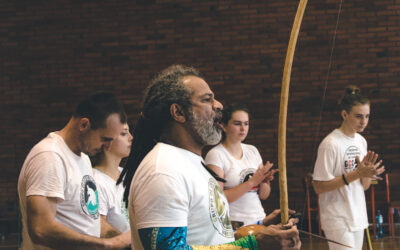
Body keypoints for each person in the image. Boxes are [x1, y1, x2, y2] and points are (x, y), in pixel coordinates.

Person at [119, 65, 301, 249]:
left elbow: (212, 238)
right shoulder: (164, 171)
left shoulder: (192, 162)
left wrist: (262, 229)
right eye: (207, 100)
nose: (219, 105)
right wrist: (253, 245)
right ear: (178, 112)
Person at [18, 92, 131, 249]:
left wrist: (124, 240)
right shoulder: (50, 156)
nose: (107, 147)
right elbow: (40, 229)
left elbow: (90, 220)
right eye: (104, 139)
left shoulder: (83, 158)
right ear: (84, 124)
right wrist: (103, 244)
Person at [312, 86, 385, 250]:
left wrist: (367, 174)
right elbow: (318, 186)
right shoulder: (330, 144)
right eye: (358, 116)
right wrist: (355, 174)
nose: (364, 121)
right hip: (337, 217)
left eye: (367, 116)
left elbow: (364, 186)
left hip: (357, 215)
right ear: (344, 114)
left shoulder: (361, 141)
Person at [205, 104, 280, 229]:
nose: (243, 128)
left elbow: (263, 195)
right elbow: (217, 200)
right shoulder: (216, 155)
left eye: (246, 124)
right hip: (233, 224)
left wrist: (264, 182)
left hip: (259, 219)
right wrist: (252, 182)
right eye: (237, 123)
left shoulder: (252, 151)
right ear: (223, 126)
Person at [92, 122, 133, 239]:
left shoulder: (127, 173)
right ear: (106, 141)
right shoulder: (95, 181)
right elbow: (98, 229)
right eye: (124, 134)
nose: (131, 138)